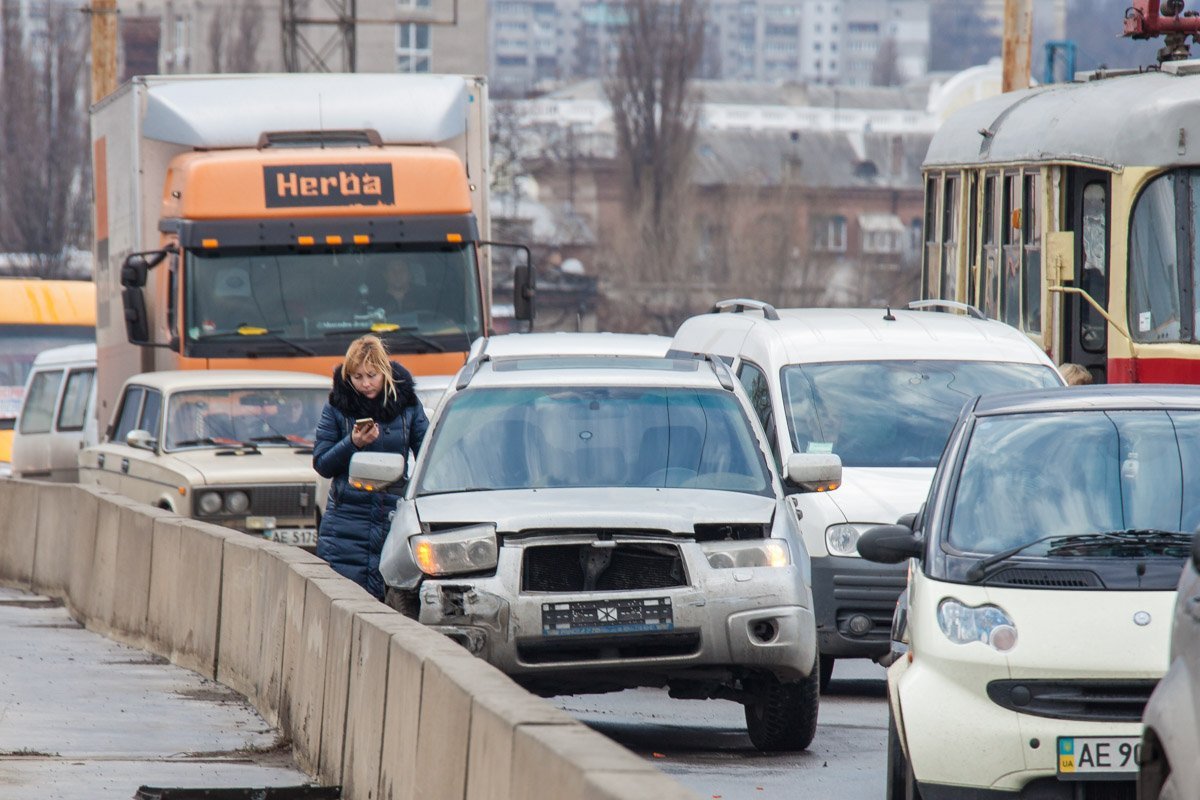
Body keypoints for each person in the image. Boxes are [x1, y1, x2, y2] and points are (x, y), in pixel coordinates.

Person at [312, 335, 429, 599]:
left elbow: (428, 455)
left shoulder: (407, 405)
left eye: (372, 375)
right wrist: (352, 442)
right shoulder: (337, 407)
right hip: (346, 524)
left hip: (393, 517)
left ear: (385, 372)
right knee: (343, 602)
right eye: (357, 377)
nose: (365, 384)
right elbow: (322, 463)